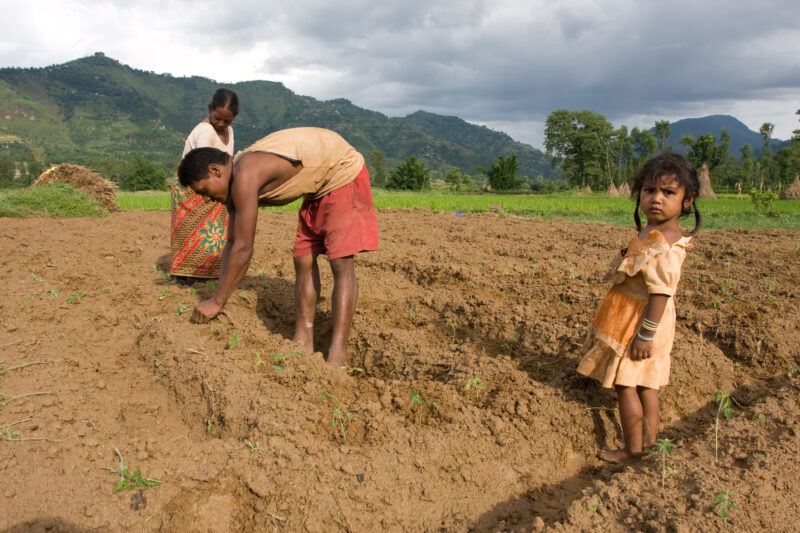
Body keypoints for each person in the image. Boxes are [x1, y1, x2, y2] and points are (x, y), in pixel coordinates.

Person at [177, 127, 379, 367]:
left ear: (215, 170)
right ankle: (303, 339)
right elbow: (231, 243)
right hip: (317, 187)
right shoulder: (235, 183)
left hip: (341, 171)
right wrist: (217, 296)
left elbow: (244, 248)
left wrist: (217, 301)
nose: (207, 199)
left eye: (204, 191)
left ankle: (338, 351)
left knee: (340, 263)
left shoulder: (245, 175)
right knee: (303, 259)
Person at [577, 153, 701, 466]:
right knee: (647, 384)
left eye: (668, 193)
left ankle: (633, 452)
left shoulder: (663, 245)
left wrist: (645, 335)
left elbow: (661, 293)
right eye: (649, 191)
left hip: (643, 321)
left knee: (625, 384)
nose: (656, 199)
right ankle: (647, 441)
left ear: (687, 201)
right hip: (643, 318)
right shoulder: (651, 233)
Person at [171, 88, 239, 281]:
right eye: (218, 118)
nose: (221, 124)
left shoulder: (229, 131)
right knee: (193, 230)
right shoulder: (205, 131)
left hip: (213, 183)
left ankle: (208, 271)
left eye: (227, 121)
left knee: (212, 231)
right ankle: (188, 274)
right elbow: (200, 166)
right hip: (194, 184)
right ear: (210, 109)